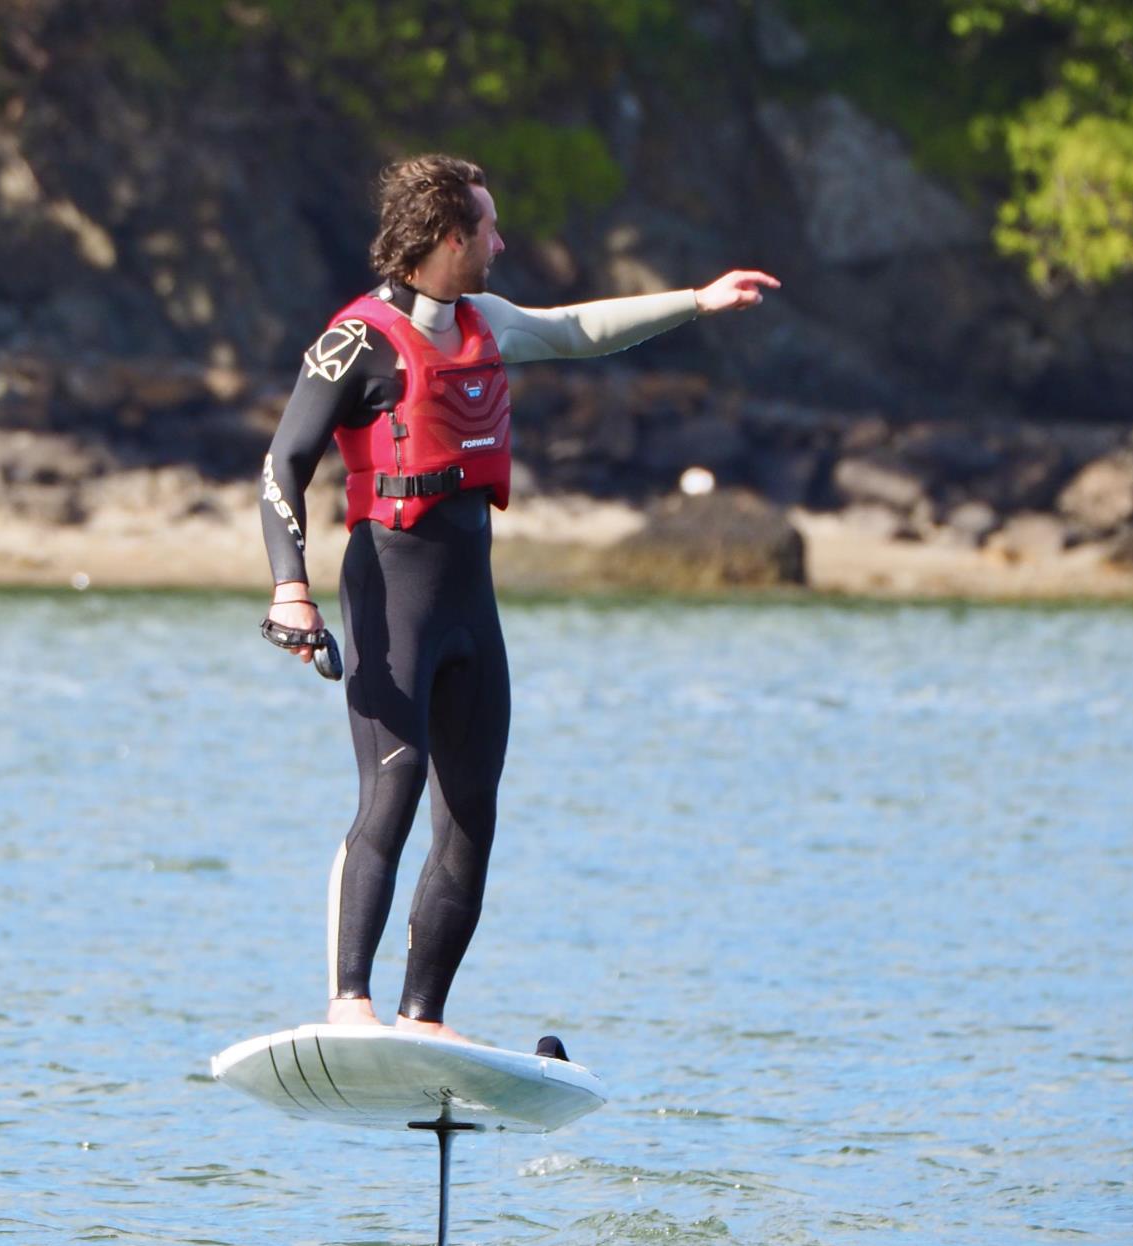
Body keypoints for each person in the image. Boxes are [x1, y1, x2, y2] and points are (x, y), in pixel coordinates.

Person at [259, 153, 778, 1044]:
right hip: (390, 591)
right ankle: (349, 1004)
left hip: (469, 603)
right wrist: (291, 591)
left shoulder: (485, 321)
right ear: (449, 237)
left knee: (472, 809)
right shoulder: (357, 337)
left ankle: (423, 1018)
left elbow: (577, 329)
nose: (502, 241)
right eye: (489, 228)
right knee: (394, 783)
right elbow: (283, 464)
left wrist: (697, 300)